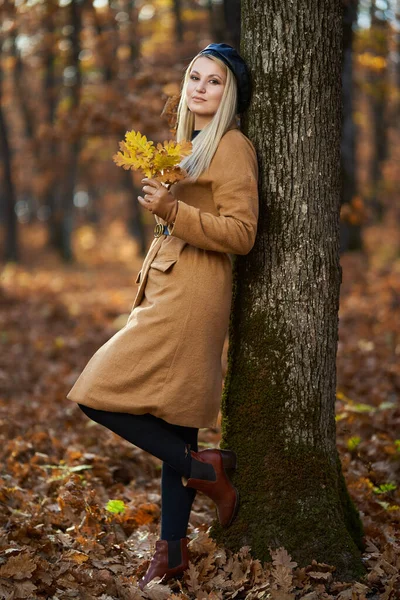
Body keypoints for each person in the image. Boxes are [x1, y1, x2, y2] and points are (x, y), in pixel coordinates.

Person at [66, 42, 259, 590]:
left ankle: (205, 470)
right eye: (194, 77)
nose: (200, 87)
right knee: (176, 424)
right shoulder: (185, 146)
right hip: (168, 286)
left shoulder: (232, 145)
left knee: (94, 391)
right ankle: (172, 555)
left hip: (194, 293)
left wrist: (173, 209)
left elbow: (242, 233)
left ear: (231, 94)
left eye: (214, 81)